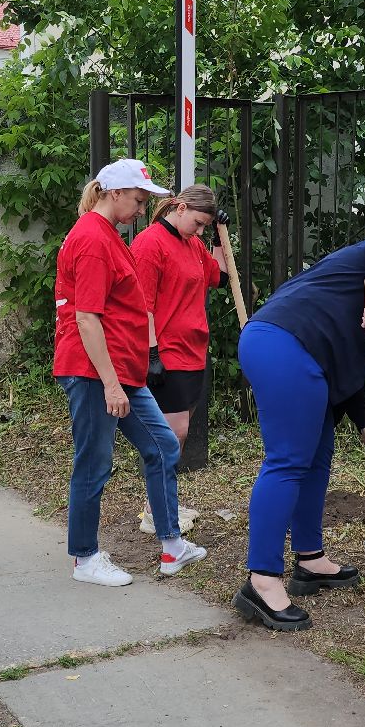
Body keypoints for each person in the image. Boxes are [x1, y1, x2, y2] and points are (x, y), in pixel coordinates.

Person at [233, 221, 365, 630]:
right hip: (286, 346)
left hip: (295, 351)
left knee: (316, 458)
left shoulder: (350, 292)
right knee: (288, 462)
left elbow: (349, 367)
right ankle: (261, 580)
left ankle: (310, 559)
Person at [54, 159, 206, 586]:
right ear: (114, 193)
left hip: (123, 371)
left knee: (162, 445)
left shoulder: (108, 235)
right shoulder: (92, 239)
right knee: (94, 463)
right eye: (139, 200)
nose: (142, 209)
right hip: (96, 372)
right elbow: (87, 318)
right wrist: (109, 383)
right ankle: (85, 558)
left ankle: (172, 546)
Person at [129, 183, 227, 536]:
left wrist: (217, 237)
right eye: (199, 222)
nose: (199, 230)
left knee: (178, 437)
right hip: (167, 353)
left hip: (193, 351)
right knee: (173, 435)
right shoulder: (150, 244)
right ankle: (155, 511)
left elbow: (220, 277)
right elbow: (143, 306)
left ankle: (163, 500)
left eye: (205, 225)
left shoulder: (194, 244)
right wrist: (152, 353)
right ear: (180, 207)